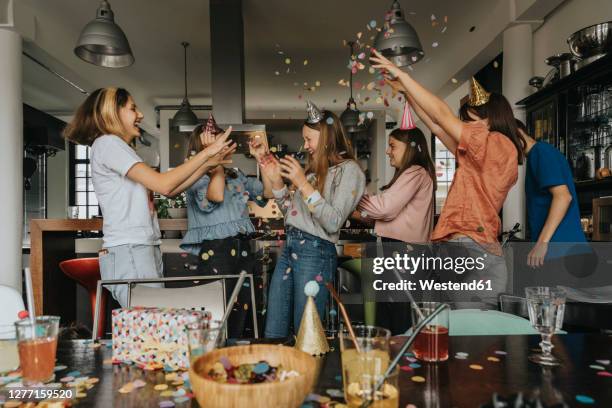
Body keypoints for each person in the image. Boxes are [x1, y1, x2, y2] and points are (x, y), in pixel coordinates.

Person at [370, 49, 525, 307]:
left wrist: (404, 76)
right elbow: (436, 125)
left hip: (472, 250)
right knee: (453, 336)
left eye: (468, 121)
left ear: (485, 118)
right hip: (466, 250)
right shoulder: (481, 153)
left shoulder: (496, 144)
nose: (465, 127)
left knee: (466, 337)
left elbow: (442, 115)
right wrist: (406, 92)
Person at [63, 87, 235, 307]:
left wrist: (206, 166)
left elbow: (170, 189)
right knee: (147, 329)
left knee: (149, 328)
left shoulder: (116, 147)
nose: (140, 115)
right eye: (133, 108)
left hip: (138, 249)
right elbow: (163, 184)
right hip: (130, 250)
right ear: (112, 113)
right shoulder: (108, 144)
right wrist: (206, 154)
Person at [260, 102, 366, 338]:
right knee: (274, 326)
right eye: (304, 139)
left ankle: (309, 374)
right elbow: (291, 214)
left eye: (309, 140)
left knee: (305, 332)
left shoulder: (350, 171)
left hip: (315, 251)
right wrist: (276, 182)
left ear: (328, 137)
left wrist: (301, 183)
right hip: (291, 246)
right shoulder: (310, 172)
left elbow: (333, 222)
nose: (305, 146)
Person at [180, 114, 268, 337]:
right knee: (216, 314)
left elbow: (265, 193)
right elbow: (215, 197)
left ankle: (234, 360)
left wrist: (263, 160)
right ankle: (212, 362)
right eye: (220, 143)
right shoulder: (196, 176)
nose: (227, 147)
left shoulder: (235, 175)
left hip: (243, 248)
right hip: (216, 251)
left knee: (242, 312)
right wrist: (215, 163)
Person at [353, 120, 436, 334]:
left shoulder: (415, 172)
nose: (388, 152)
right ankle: (395, 359)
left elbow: (385, 209)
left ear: (410, 147)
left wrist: (352, 194)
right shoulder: (409, 175)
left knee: (399, 315)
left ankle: (402, 360)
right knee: (391, 313)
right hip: (400, 250)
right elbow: (386, 216)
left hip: (406, 253)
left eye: (392, 146)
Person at [517, 119, 588, 267]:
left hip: (560, 252)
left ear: (517, 134)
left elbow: (563, 197)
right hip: (562, 251)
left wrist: (542, 243)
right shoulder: (539, 154)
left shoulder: (540, 152)